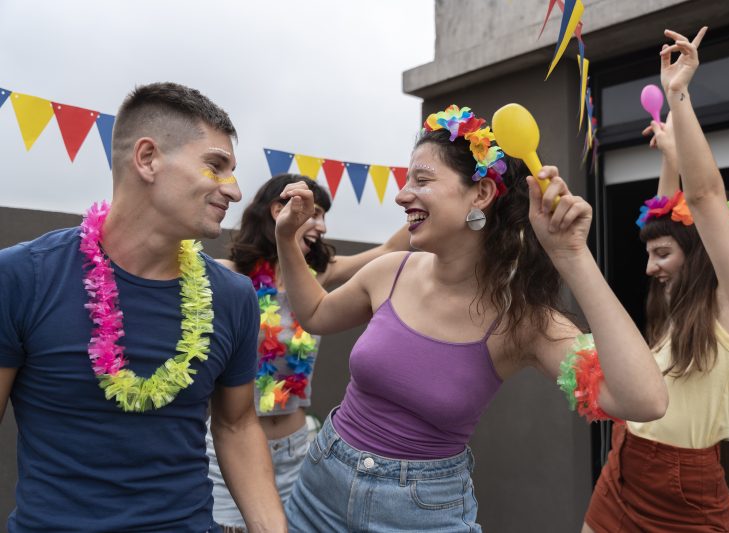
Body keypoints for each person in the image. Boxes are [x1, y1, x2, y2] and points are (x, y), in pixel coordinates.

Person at [273, 104, 669, 531]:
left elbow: (643, 401)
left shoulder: (522, 320)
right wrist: (286, 238)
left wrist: (572, 254)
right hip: (319, 488)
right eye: (407, 181)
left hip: (420, 515)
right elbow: (313, 312)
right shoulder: (391, 271)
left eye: (422, 180)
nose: (403, 195)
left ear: (479, 195)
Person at [0, 82, 286, 533]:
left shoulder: (233, 296)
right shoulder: (21, 277)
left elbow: (235, 425)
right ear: (148, 158)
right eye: (216, 166)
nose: (233, 191)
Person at [583, 27, 729, 533]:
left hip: (683, 493)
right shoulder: (680, 307)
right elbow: (669, 221)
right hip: (621, 467)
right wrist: (670, 159)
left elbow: (706, 198)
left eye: (663, 255)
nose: (650, 268)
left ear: (698, 254)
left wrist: (679, 96)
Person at [206, 173, 409, 531]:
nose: (322, 226)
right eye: (314, 214)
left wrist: (431, 203)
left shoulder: (316, 277)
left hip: (297, 451)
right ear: (278, 210)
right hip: (232, 455)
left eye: (323, 216)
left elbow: (389, 251)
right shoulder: (232, 277)